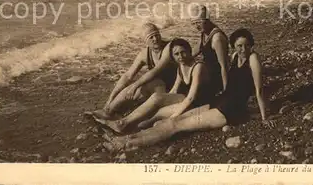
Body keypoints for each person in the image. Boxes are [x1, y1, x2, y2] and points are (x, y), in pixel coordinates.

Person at [101, 28, 275, 152]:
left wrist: (264, 117)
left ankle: (125, 145)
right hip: (220, 101)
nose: (242, 49)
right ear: (234, 47)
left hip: (231, 111)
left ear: (252, 45)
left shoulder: (253, 59)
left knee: (175, 124)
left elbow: (259, 91)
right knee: (169, 121)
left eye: (246, 45)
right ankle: (125, 138)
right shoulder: (236, 56)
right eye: (238, 46)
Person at [94, 39, 216, 134]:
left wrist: (172, 117)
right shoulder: (181, 65)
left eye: (183, 52)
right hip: (186, 99)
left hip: (200, 102)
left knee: (157, 106)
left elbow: (191, 97)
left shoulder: (197, 67)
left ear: (189, 51)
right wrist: (162, 101)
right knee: (153, 111)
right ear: (173, 56)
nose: (181, 56)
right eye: (176, 54)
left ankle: (122, 124)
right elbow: (174, 90)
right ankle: (127, 124)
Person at [88, 23, 178, 120]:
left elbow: (155, 71)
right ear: (145, 41)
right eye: (151, 37)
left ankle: (116, 115)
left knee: (147, 84)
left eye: (157, 35)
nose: (155, 39)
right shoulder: (144, 54)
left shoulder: (169, 48)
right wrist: (110, 99)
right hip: (160, 88)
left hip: (175, 88)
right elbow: (127, 76)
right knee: (135, 88)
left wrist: (135, 86)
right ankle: (109, 110)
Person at [191, 5, 229, 94]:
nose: (197, 26)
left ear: (207, 20)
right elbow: (193, 53)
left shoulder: (217, 38)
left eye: (199, 22)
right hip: (208, 72)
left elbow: (224, 66)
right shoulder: (204, 33)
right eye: (194, 23)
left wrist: (226, 91)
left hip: (216, 77)